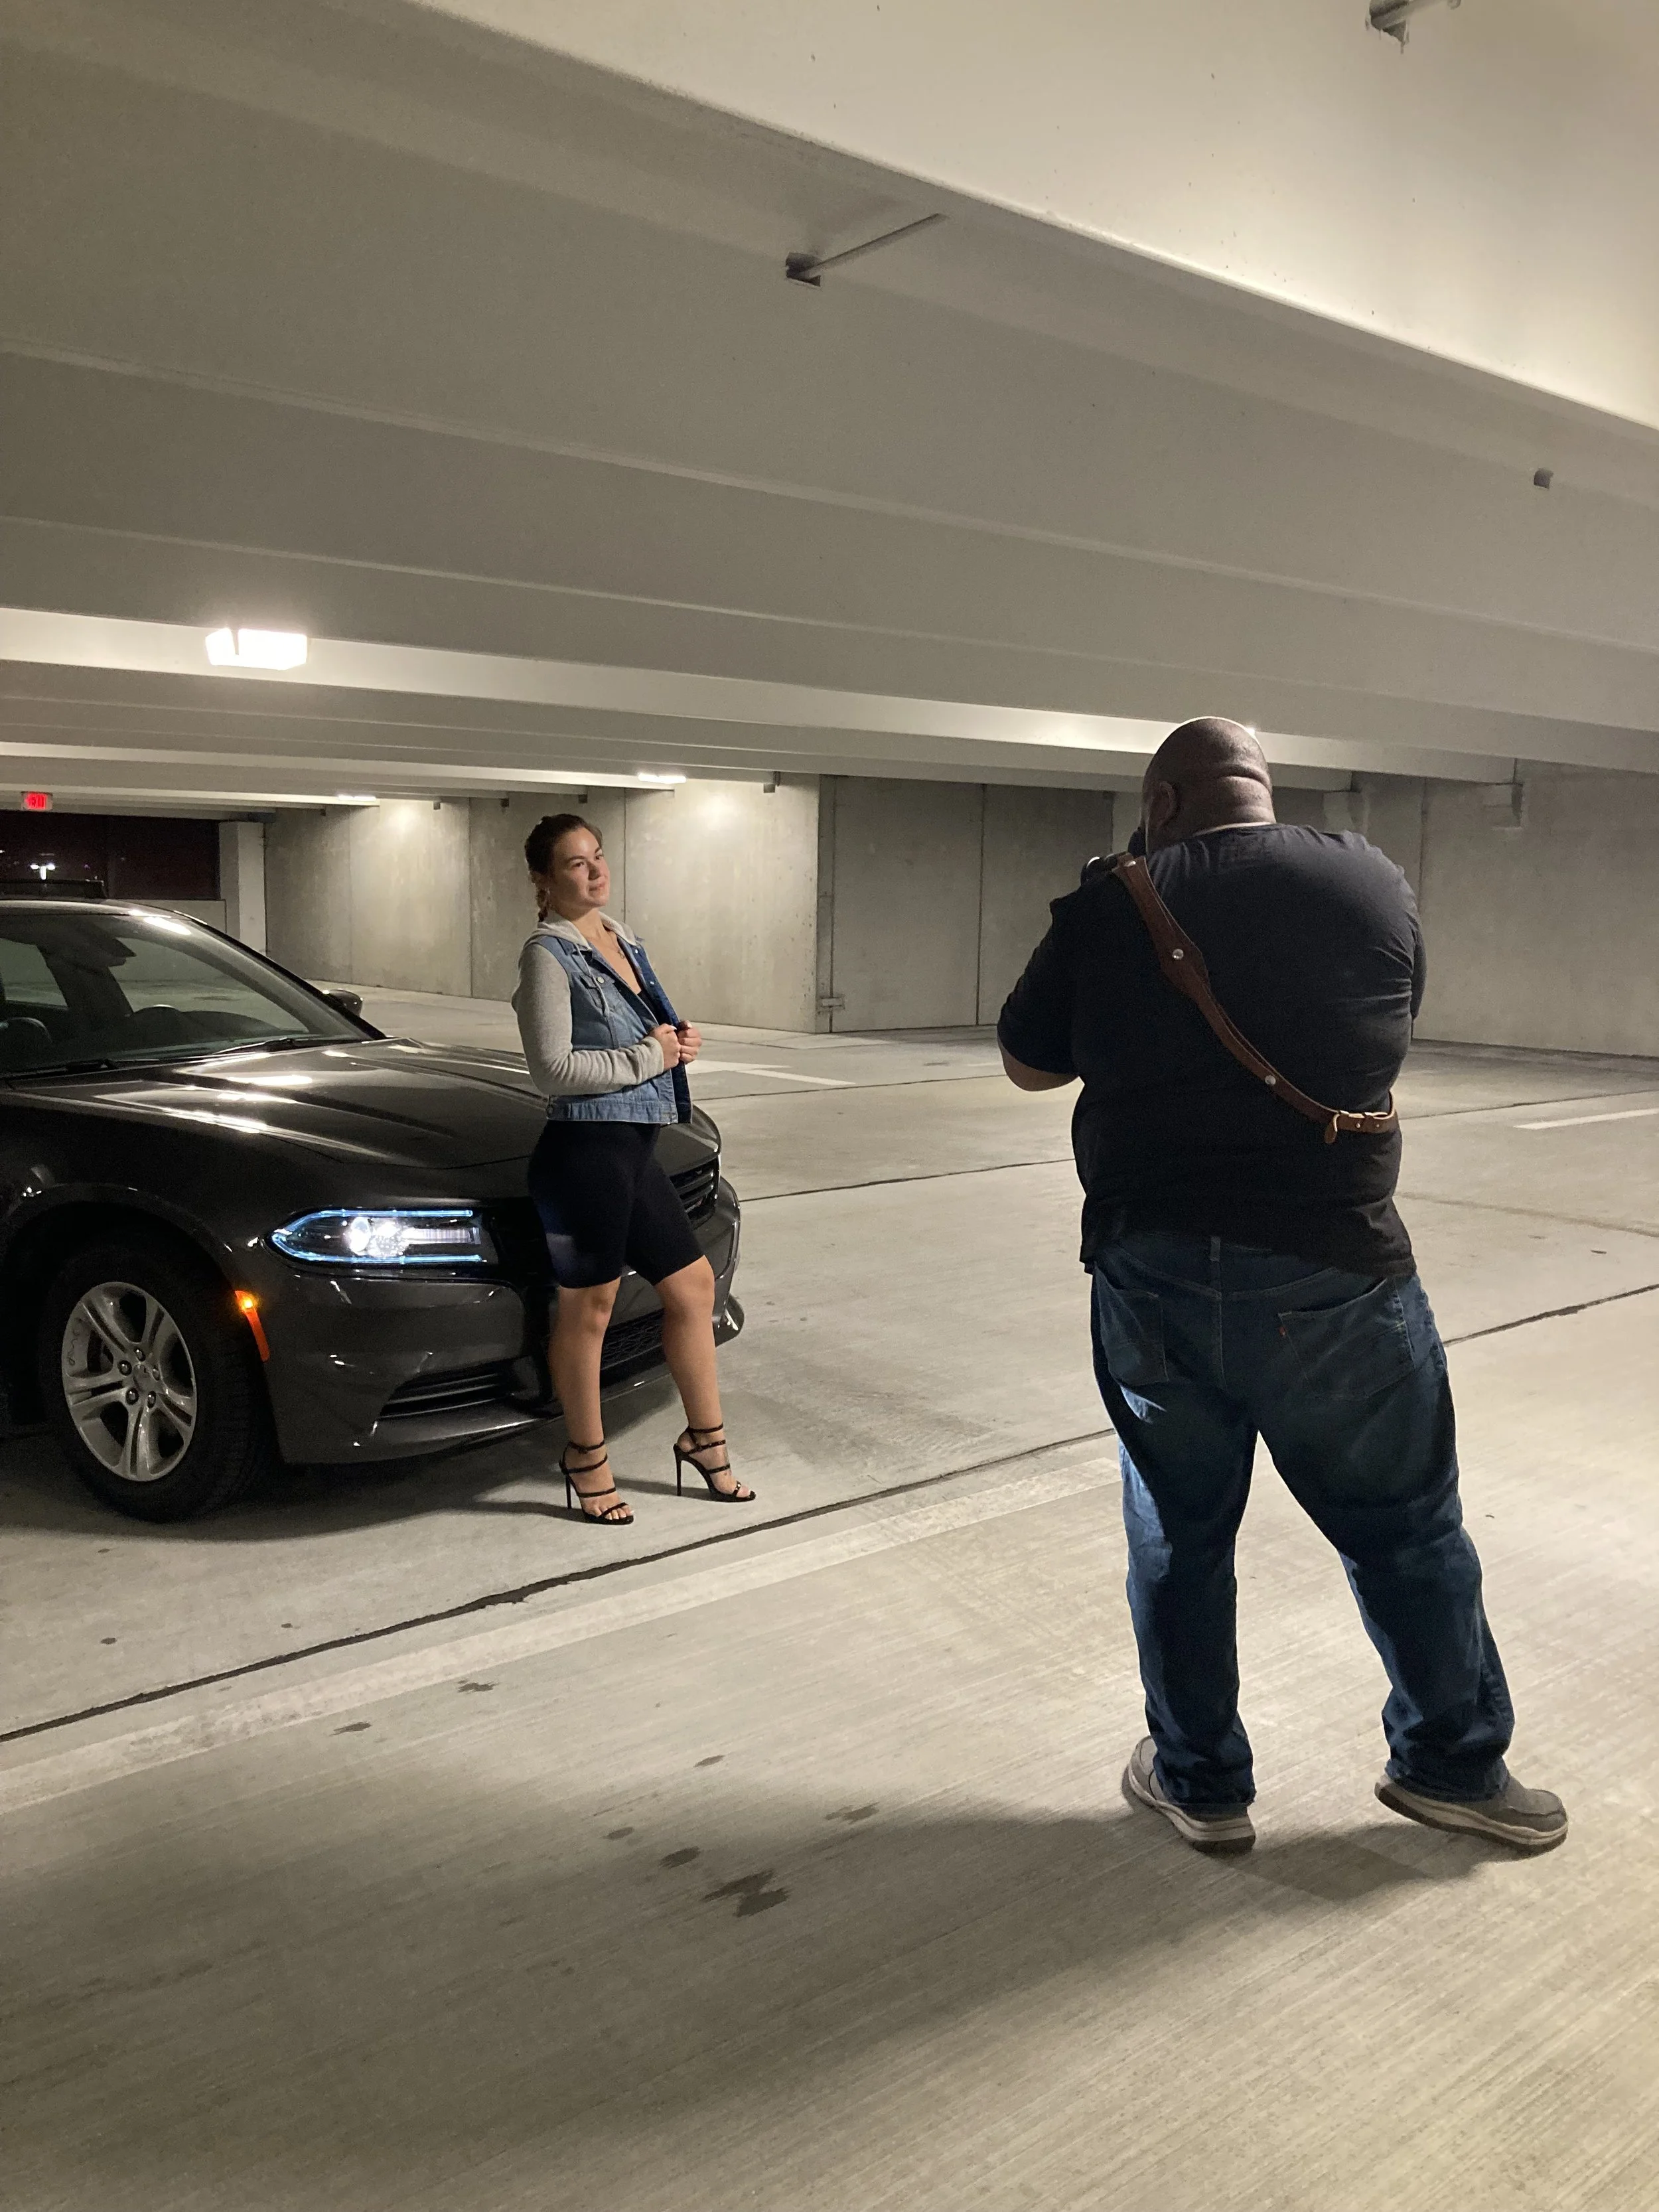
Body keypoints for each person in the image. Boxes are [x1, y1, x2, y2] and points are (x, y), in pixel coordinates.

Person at [997, 719, 1565, 1856]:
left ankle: (1203, 1783)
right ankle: (1454, 1766)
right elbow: (1385, 1027)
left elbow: (1028, 1062)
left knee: (1178, 1535)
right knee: (1405, 1529)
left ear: (1162, 802)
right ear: (1263, 789)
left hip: (1152, 1272)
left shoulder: (1111, 901)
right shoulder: (1371, 879)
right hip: (1336, 1267)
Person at [512, 812, 753, 1525]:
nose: (595, 870)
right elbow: (553, 1070)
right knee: (590, 1310)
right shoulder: (546, 956)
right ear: (544, 880)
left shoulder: (622, 939)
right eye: (575, 863)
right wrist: (653, 1055)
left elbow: (647, 1037)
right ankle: (584, 1456)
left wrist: (679, 1042)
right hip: (584, 1155)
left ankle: (704, 1440)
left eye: (598, 855)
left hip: (634, 1148)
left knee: (693, 1287)